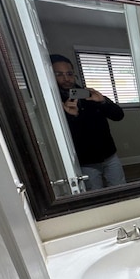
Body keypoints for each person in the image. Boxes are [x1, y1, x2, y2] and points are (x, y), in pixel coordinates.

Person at [50, 54, 126, 191]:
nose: (66, 79)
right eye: (59, 74)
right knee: (94, 194)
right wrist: (72, 116)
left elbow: (119, 115)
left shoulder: (88, 94)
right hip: (85, 161)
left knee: (120, 188)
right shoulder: (53, 102)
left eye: (69, 73)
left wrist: (103, 102)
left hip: (109, 154)